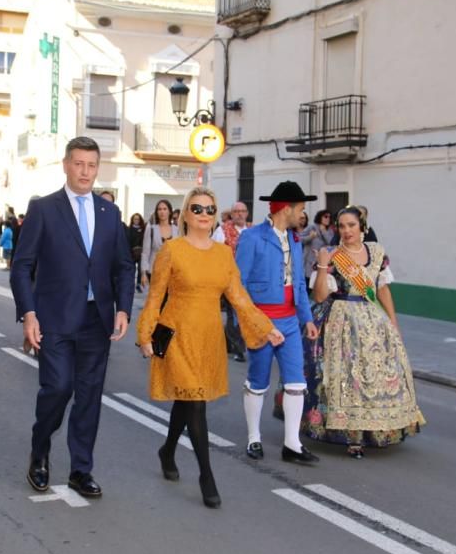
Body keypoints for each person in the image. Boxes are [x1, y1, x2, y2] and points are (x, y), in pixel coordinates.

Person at [137, 187, 283, 507]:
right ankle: (206, 475)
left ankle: (167, 450)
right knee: (196, 402)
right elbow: (155, 296)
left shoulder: (223, 254)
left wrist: (266, 327)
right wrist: (145, 334)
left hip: (207, 336)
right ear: (186, 214)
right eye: (198, 209)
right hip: (175, 334)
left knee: (188, 400)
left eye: (210, 210)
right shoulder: (171, 250)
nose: (204, 215)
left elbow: (239, 297)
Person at [11, 136, 135, 499]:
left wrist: (124, 308)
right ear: (66, 165)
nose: (85, 172)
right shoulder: (45, 209)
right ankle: (40, 449)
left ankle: (82, 469)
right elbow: (22, 266)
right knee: (58, 388)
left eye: (91, 165)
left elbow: (124, 266)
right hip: (55, 318)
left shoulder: (109, 213)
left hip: (97, 321)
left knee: (89, 397)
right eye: (78, 164)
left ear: (98, 168)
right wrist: (29, 313)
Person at [302, 206, 424, 457]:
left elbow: (382, 290)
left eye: (351, 225)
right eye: (342, 226)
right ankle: (352, 436)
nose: (346, 231)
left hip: (373, 321)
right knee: (348, 378)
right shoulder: (330, 254)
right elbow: (320, 295)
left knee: (378, 375)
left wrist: (394, 323)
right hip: (341, 322)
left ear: (362, 227)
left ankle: (377, 427)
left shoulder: (377, 252)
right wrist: (323, 266)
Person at [235, 181, 320, 464]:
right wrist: (251, 324)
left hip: (290, 322)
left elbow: (298, 284)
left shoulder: (295, 240)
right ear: (287, 208)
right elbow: (238, 286)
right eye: (301, 209)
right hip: (262, 321)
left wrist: (306, 318)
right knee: (258, 382)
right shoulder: (252, 238)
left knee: (297, 383)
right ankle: (253, 438)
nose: (303, 214)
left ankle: (292, 444)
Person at [213, 200, 252, 362]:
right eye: (237, 212)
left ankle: (242, 343)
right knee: (233, 314)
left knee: (246, 314)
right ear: (232, 214)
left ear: (247, 213)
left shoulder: (252, 230)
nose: (240, 214)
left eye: (243, 211)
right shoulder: (222, 231)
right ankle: (238, 348)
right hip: (230, 279)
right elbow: (213, 254)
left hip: (250, 280)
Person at [139, 199, 178, 288]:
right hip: (154, 272)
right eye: (159, 209)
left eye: (165, 209)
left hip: (172, 273)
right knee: (156, 300)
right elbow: (145, 253)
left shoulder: (176, 230)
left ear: (170, 211)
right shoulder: (151, 229)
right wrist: (143, 273)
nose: (162, 212)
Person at [126, 212, 146, 292]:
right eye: (135, 219)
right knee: (132, 269)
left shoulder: (143, 229)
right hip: (131, 252)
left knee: (141, 269)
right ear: (132, 220)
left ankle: (138, 284)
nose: (136, 220)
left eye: (138, 219)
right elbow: (128, 240)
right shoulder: (129, 229)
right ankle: (130, 284)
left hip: (141, 252)